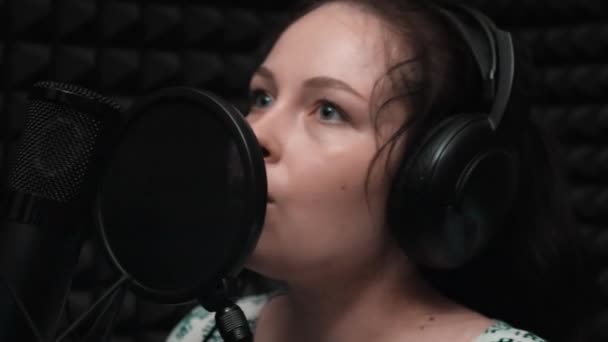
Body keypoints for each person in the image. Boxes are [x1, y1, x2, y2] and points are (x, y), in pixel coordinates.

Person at [168, 0, 596, 341]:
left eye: (329, 110)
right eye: (262, 98)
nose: (255, 133)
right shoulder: (204, 330)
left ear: (432, 170)